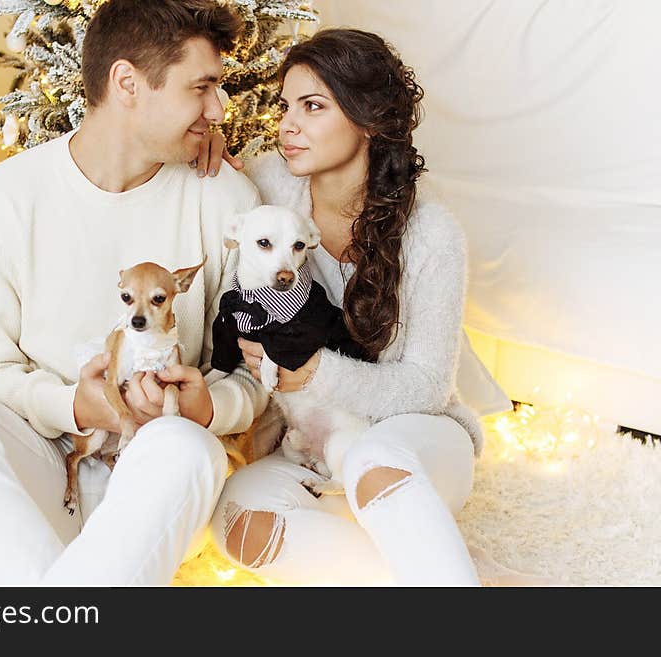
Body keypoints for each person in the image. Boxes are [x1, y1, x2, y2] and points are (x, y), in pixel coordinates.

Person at [0, 0, 269, 586]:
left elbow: (257, 374)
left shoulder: (227, 200)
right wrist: (76, 407)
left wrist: (210, 407)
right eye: (201, 87)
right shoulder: (1, 199)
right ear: (128, 83)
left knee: (187, 450)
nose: (219, 107)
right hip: (44, 460)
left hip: (157, 474)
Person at [198, 28, 502, 586]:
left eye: (312, 106)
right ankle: (466, 580)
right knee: (240, 520)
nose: (287, 124)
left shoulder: (432, 233)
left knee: (370, 459)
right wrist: (207, 148)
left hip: (415, 441)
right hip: (314, 442)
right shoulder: (269, 184)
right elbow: (211, 183)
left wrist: (317, 374)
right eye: (285, 106)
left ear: (368, 118)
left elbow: (427, 387)